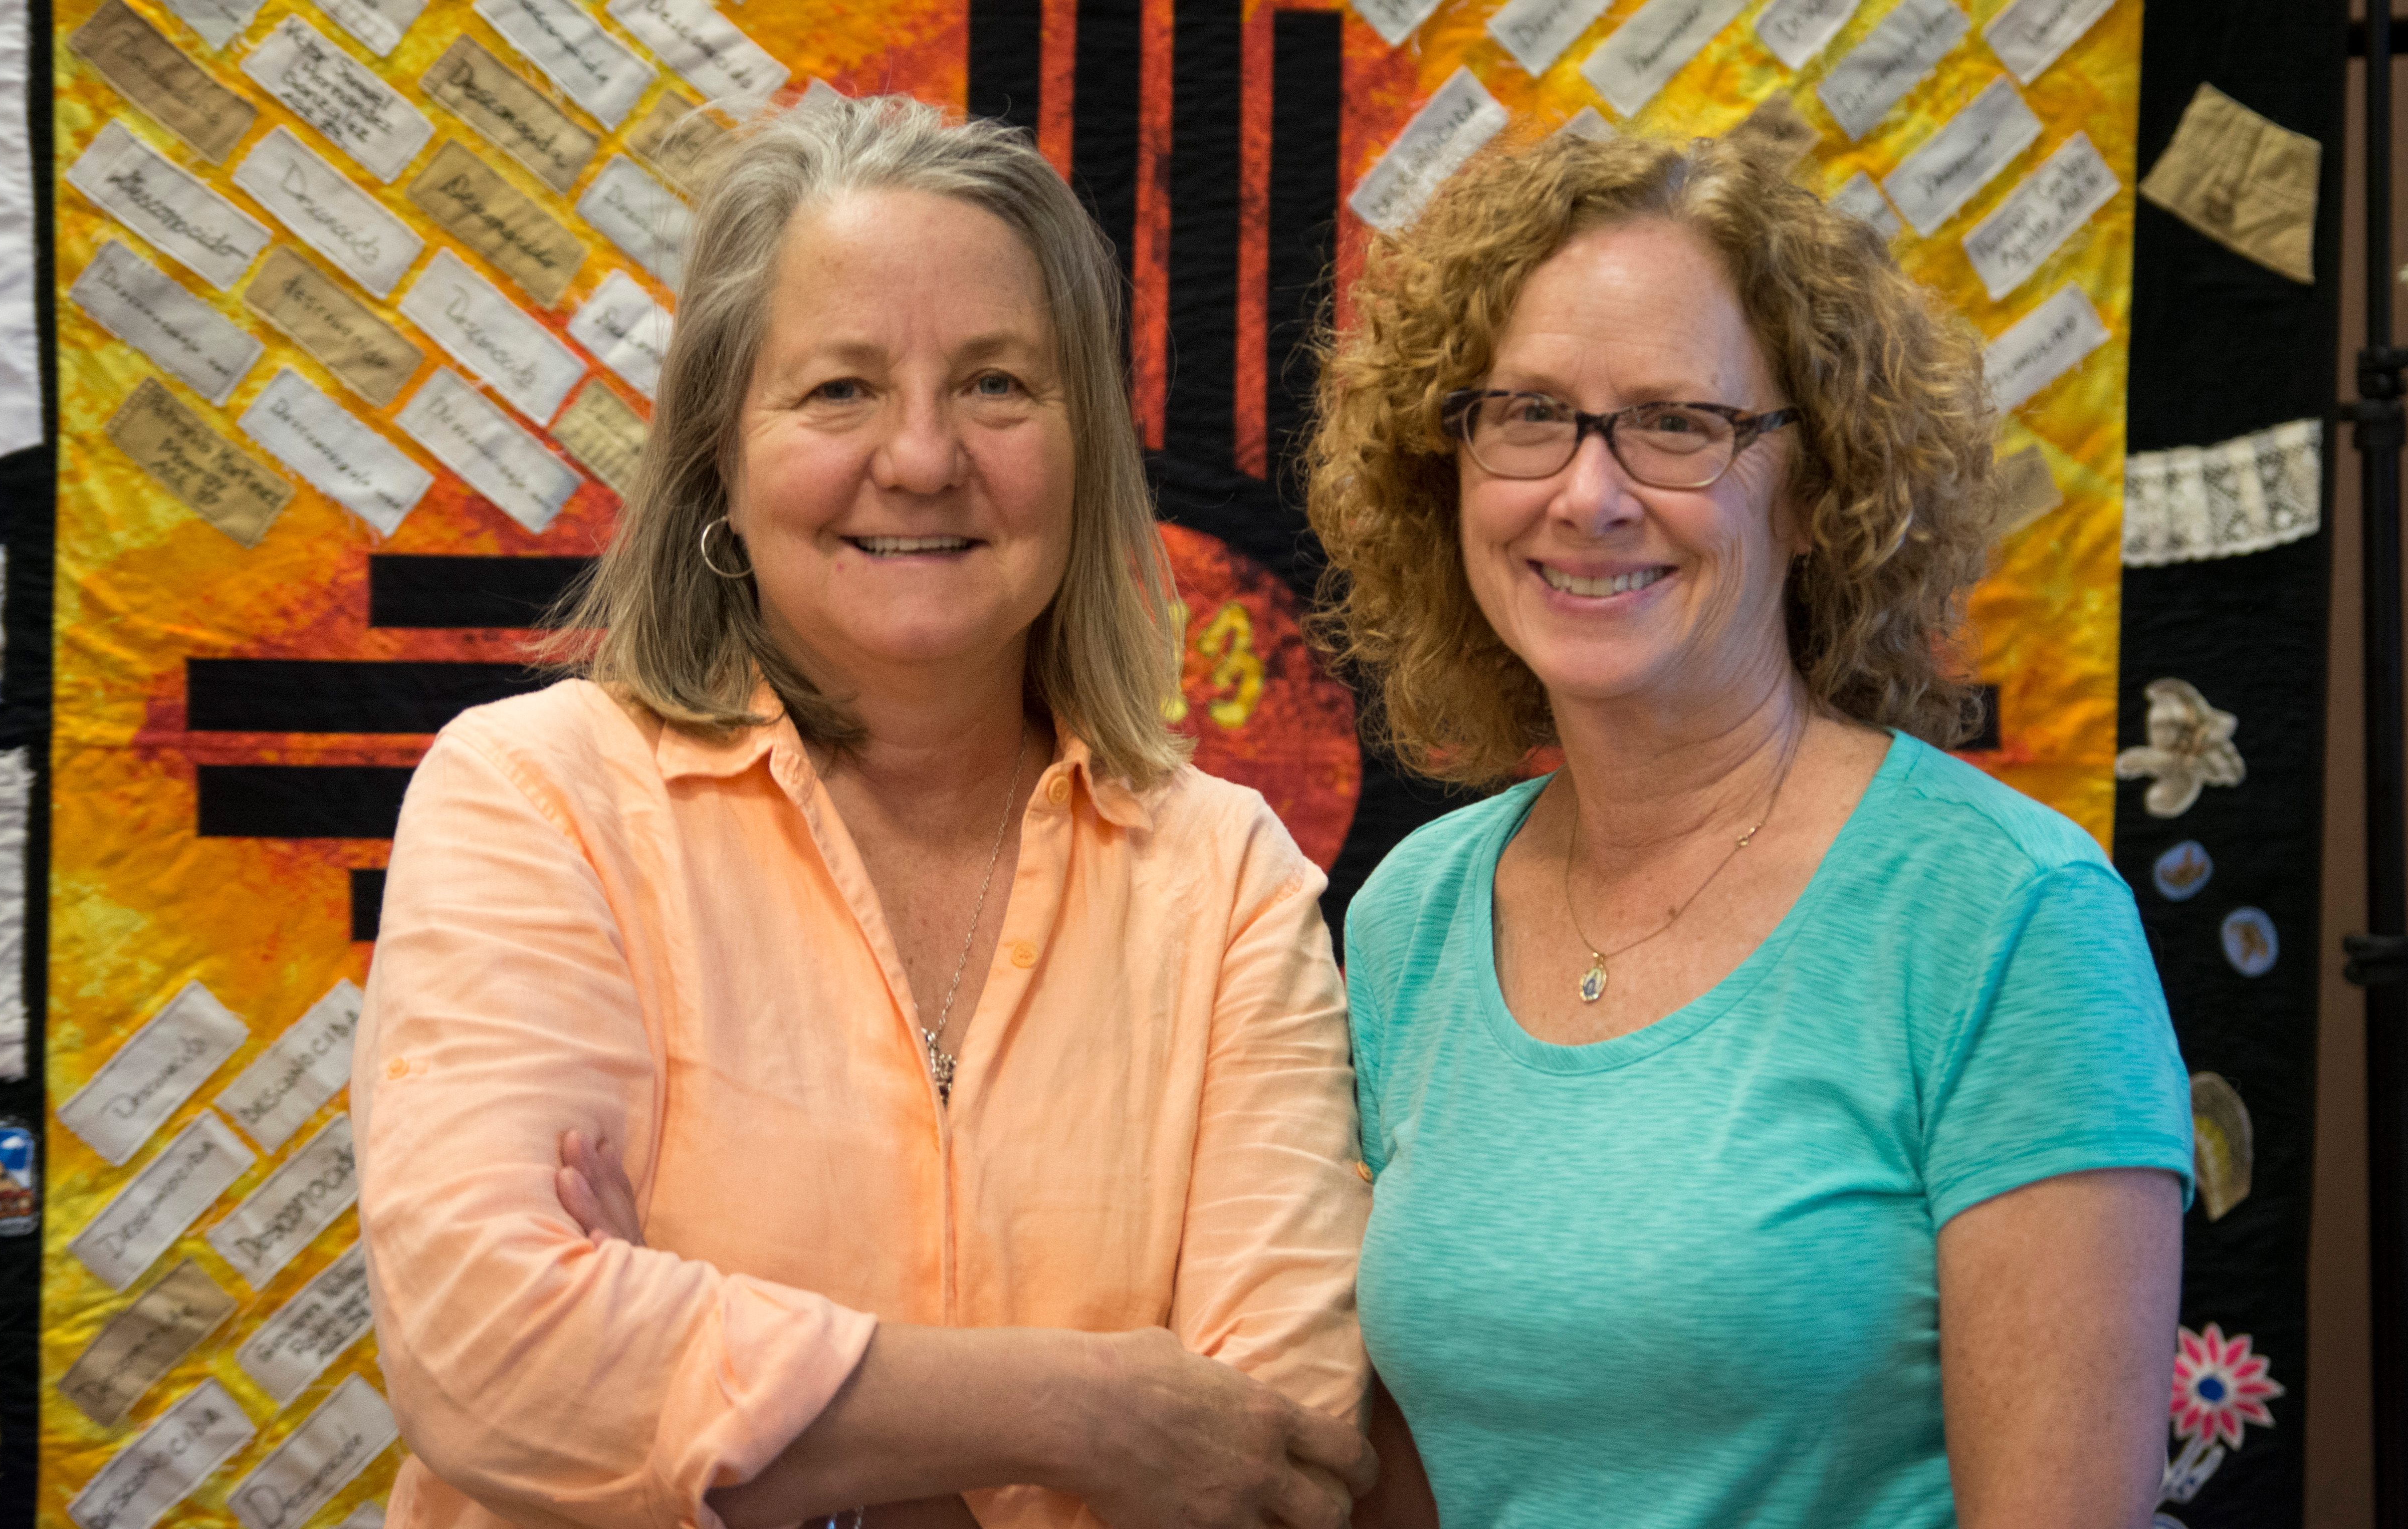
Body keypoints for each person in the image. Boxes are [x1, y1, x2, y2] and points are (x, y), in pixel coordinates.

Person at [349, 94, 1375, 1529]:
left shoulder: (1229, 883)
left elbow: (1276, 1474)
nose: (919, 456)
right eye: (838, 389)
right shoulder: (535, 797)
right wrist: (1086, 1412)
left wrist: (739, 1425)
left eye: (998, 384)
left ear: (1087, 451)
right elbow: (490, 1359)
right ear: (721, 455)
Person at [1306, 131, 2192, 1528]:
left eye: (1677, 424)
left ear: (1817, 486)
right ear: (1449, 471)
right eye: (1529, 414)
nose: (1589, 495)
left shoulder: (2009, 916)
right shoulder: (1410, 915)